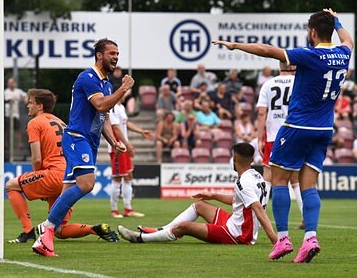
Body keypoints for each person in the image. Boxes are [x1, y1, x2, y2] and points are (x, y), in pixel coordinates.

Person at [213, 8, 353, 263]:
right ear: (331, 30)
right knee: (308, 185)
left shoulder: (310, 55)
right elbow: (348, 40)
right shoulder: (343, 53)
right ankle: (310, 237)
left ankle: (284, 239)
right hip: (323, 129)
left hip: (297, 126)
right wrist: (337, 21)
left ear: (312, 32)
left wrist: (234, 45)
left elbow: (268, 50)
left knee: (278, 182)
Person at [32, 38, 134, 257]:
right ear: (99, 55)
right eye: (111, 53)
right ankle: (46, 230)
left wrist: (113, 141)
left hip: (90, 142)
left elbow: (103, 116)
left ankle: (48, 233)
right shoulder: (88, 77)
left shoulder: (106, 84)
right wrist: (123, 89)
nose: (116, 57)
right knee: (87, 184)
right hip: (77, 138)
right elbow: (101, 104)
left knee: (67, 194)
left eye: (117, 53)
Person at [6, 89, 118, 244]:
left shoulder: (34, 123)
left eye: (31, 102)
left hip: (52, 175)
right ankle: (95, 229)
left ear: (40, 106)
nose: (27, 105)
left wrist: (40, 180)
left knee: (11, 185)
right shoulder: (61, 122)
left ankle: (27, 232)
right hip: (69, 178)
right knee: (57, 229)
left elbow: (37, 159)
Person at [117, 142, 277, 246]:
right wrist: (212, 195)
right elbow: (237, 201)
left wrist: (274, 239)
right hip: (235, 224)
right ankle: (161, 229)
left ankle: (140, 238)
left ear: (234, 158)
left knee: (184, 227)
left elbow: (258, 208)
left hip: (238, 235)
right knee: (200, 205)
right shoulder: (255, 175)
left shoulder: (244, 181)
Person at [256, 64, 304, 228]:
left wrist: (259, 137)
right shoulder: (300, 82)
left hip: (273, 135)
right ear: (293, 66)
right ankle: (306, 216)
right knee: (296, 177)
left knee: (268, 175)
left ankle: (259, 218)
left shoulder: (268, 84)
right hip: (294, 132)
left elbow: (262, 113)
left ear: (279, 66)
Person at [108, 93, 154, 218]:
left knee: (128, 176)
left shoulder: (121, 107)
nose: (127, 94)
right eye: (125, 91)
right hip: (117, 146)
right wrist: (127, 145)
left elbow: (125, 124)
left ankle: (128, 208)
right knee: (118, 178)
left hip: (124, 145)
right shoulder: (111, 108)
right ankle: (114, 210)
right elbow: (116, 129)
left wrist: (141, 131)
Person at [4, 77, 27, 159]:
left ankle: (19, 143)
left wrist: (24, 100)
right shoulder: (5, 92)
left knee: (17, 129)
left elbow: (25, 96)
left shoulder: (18, 91)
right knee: (6, 130)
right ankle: (6, 144)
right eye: (10, 83)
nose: (11, 84)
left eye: (12, 82)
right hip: (7, 114)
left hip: (15, 114)